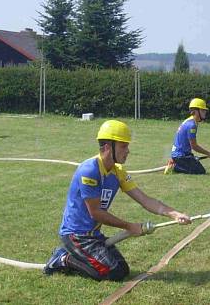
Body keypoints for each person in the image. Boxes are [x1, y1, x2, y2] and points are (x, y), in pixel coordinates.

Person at [43, 120, 192, 280]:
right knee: (111, 272)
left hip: (94, 234)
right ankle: (63, 259)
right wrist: (129, 227)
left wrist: (175, 214)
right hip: (76, 235)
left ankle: (74, 256)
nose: (128, 151)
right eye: (123, 146)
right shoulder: (90, 171)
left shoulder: (118, 171)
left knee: (122, 269)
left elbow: (145, 200)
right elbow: (96, 213)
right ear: (107, 147)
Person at [165, 98, 210, 175]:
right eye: (203, 110)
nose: (205, 112)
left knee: (196, 165)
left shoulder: (190, 121)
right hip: (180, 156)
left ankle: (177, 163)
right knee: (200, 171)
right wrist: (208, 153)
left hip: (181, 154)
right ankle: (174, 166)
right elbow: (194, 146)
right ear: (196, 111)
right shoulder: (192, 125)